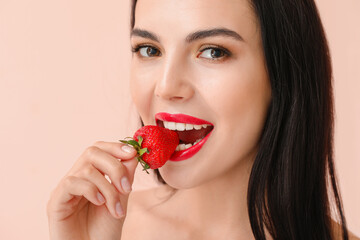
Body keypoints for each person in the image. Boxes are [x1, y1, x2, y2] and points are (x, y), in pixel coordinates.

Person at [46, 0, 360, 239]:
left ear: (281, 76)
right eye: (149, 49)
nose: (167, 87)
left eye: (212, 52)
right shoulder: (103, 227)